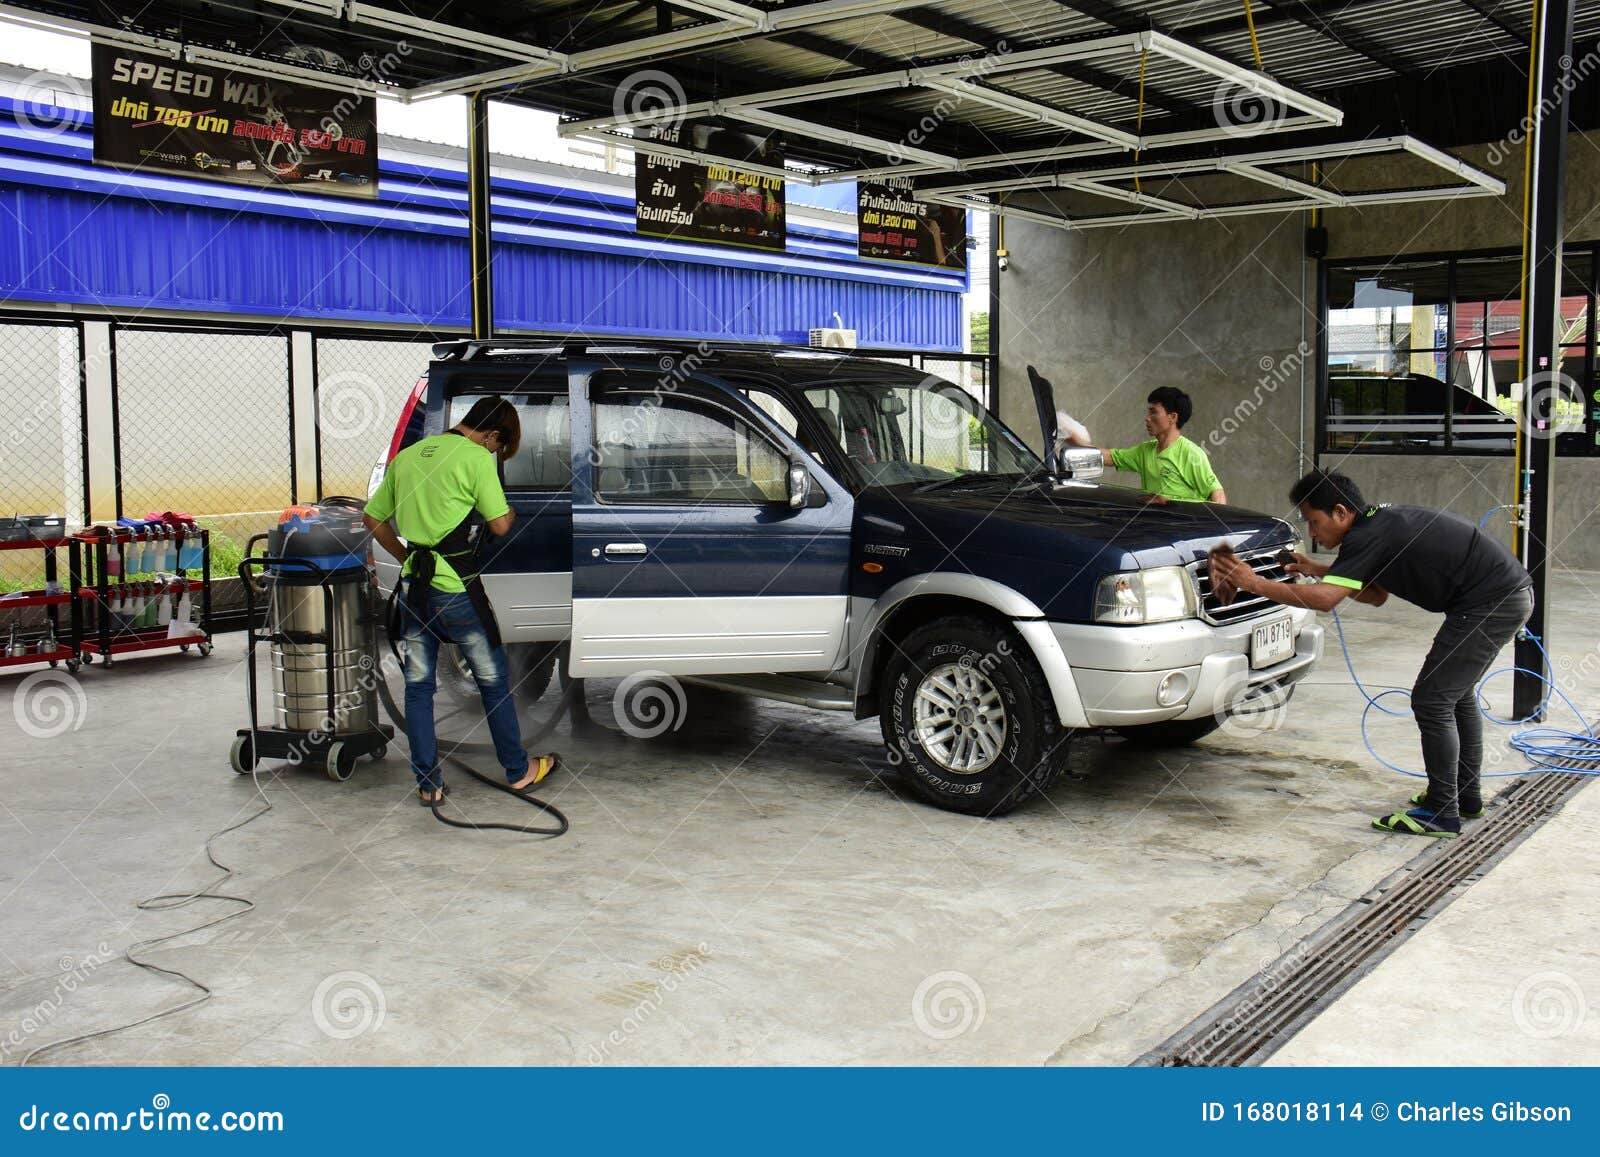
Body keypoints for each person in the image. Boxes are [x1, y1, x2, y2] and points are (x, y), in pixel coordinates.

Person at [1210, 469, 1533, 838]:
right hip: (1505, 595)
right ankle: (1465, 796)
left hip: (1491, 603)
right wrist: (1318, 570)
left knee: (1432, 701)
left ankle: (1443, 811)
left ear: (1340, 512)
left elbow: (1329, 601)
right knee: (1455, 696)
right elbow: (1375, 595)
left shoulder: (1366, 536)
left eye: (1314, 523)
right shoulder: (1376, 525)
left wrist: (1254, 583)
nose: (1312, 533)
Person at [363, 397, 559, 806]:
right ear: (493, 434)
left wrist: (405, 558)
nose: (494, 453)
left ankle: (428, 784)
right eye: (497, 447)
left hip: (415, 587)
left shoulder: (410, 455)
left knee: (418, 688)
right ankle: (518, 771)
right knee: (492, 680)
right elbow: (500, 524)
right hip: (454, 590)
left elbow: (373, 519)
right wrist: (512, 511)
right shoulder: (475, 458)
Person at [1061, 386, 1226, 503]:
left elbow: (1217, 494)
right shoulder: (1145, 451)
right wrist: (1075, 439)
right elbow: (1109, 457)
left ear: (1172, 417)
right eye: (1148, 412)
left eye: (1153, 412)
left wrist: (1169, 501)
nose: (1147, 418)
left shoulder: (1191, 454)